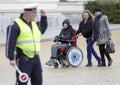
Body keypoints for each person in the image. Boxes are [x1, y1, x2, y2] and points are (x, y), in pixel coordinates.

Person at [5, 3, 48, 85]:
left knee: (38, 81)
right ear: (29, 13)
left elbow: (42, 30)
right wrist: (11, 58)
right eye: (35, 13)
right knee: (21, 82)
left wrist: (43, 17)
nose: (36, 15)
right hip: (23, 59)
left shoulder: (34, 24)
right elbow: (10, 42)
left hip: (35, 58)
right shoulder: (15, 25)